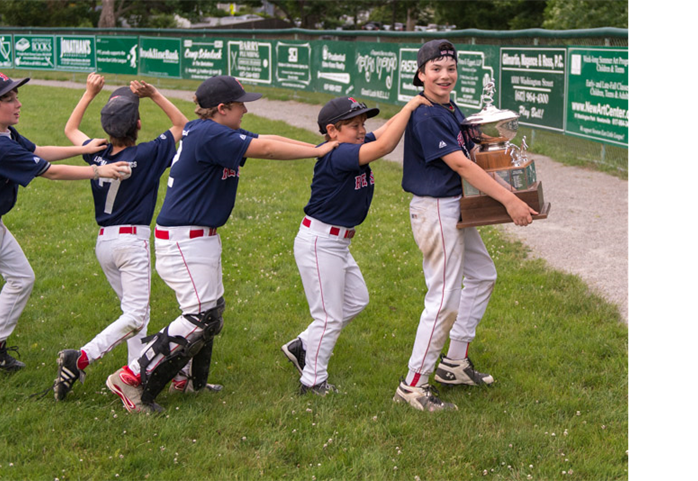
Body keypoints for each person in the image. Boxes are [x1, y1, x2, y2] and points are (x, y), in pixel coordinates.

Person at [104, 75, 340, 413]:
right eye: (240, 104)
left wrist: (314, 148)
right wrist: (318, 150)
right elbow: (268, 149)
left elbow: (266, 138)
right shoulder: (210, 133)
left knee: (211, 315)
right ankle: (129, 378)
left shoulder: (212, 131)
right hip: (185, 239)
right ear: (221, 108)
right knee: (200, 317)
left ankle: (185, 380)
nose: (245, 109)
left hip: (197, 236)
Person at [0, 72, 132, 410]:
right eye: (9, 99)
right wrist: (98, 170)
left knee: (22, 278)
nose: (18, 103)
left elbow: (36, 151)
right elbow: (48, 170)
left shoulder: (2, 133)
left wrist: (82, 148)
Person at [394, 39, 537, 412]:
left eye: (451, 68)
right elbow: (461, 165)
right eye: (436, 68)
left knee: (483, 274)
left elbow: (474, 152)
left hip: (453, 205)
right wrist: (509, 198)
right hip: (436, 209)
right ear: (421, 74)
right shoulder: (425, 115)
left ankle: (453, 362)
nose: (445, 75)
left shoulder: (448, 106)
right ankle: (413, 384)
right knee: (443, 299)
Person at [281, 94, 430, 396]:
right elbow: (386, 146)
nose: (362, 130)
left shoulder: (351, 144)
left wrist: (406, 109)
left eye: (363, 123)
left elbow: (385, 131)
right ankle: (312, 381)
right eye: (353, 125)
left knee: (357, 299)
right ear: (332, 132)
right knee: (329, 316)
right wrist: (413, 107)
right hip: (321, 241)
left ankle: (304, 345)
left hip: (336, 243)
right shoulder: (340, 154)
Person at [51, 74, 187, 401]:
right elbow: (181, 123)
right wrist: (153, 93)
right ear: (138, 124)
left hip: (105, 244)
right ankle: (81, 357)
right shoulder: (148, 153)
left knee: (135, 316)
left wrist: (87, 94)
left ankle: (137, 375)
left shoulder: (97, 153)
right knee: (136, 315)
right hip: (131, 243)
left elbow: (70, 130)